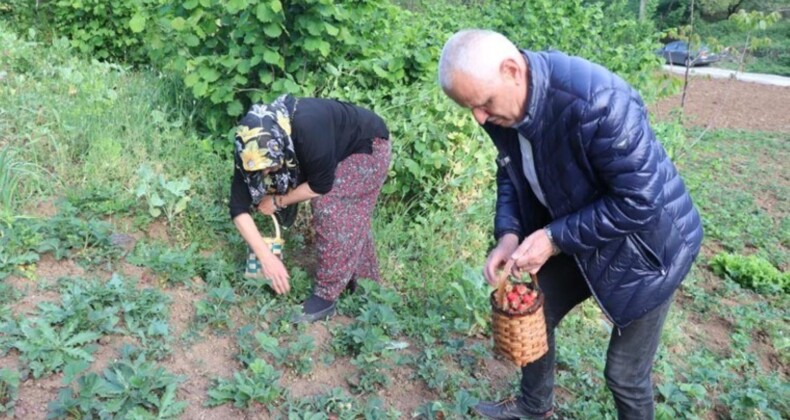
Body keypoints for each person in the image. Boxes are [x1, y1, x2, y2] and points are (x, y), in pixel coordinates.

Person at [438, 30, 703, 419]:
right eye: (470, 108)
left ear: (512, 70)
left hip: (647, 247)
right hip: (581, 228)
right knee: (534, 311)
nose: (479, 117)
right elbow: (511, 172)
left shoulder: (598, 102)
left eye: (483, 104)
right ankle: (533, 408)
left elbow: (640, 200)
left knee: (624, 374)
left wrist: (553, 237)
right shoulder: (500, 107)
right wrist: (509, 233)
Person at [229, 94, 391, 323]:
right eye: (260, 170)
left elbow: (320, 186)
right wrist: (265, 257)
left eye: (270, 167)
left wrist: (277, 201)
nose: (265, 174)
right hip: (332, 150)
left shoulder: (308, 129)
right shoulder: (250, 146)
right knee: (353, 218)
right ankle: (367, 287)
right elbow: (238, 208)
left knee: (332, 208)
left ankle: (325, 296)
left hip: (367, 146)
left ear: (281, 145)